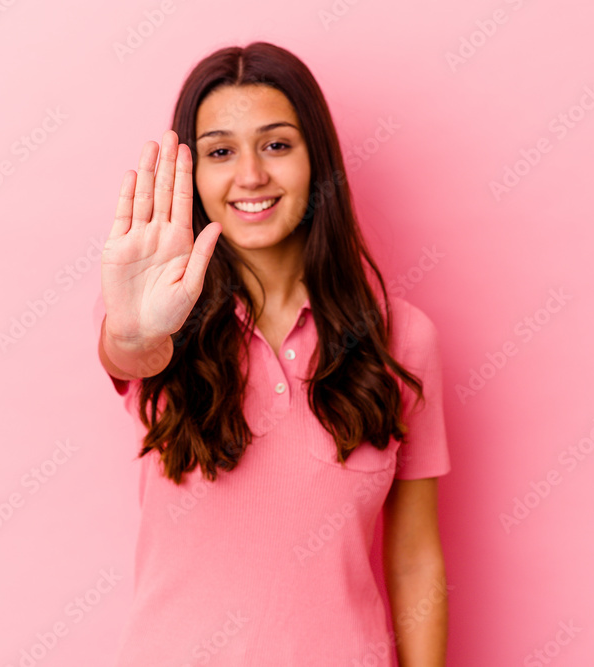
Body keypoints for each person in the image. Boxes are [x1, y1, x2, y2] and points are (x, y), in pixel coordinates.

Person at [98, 41, 450, 666]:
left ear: (318, 160)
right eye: (221, 151)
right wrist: (135, 331)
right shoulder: (157, 325)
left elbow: (415, 556)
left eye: (277, 144)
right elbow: (128, 353)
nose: (251, 175)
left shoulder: (403, 339)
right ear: (193, 174)